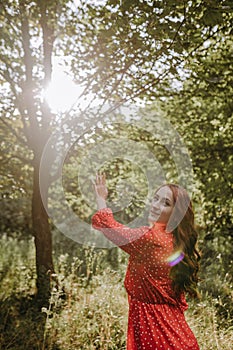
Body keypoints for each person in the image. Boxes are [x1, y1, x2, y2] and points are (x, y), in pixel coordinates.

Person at [92, 173, 200, 350]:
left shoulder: (150, 238)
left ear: (176, 213)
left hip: (158, 333)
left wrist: (100, 198)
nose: (156, 206)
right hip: (174, 332)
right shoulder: (175, 241)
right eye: (156, 199)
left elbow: (110, 227)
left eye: (165, 203)